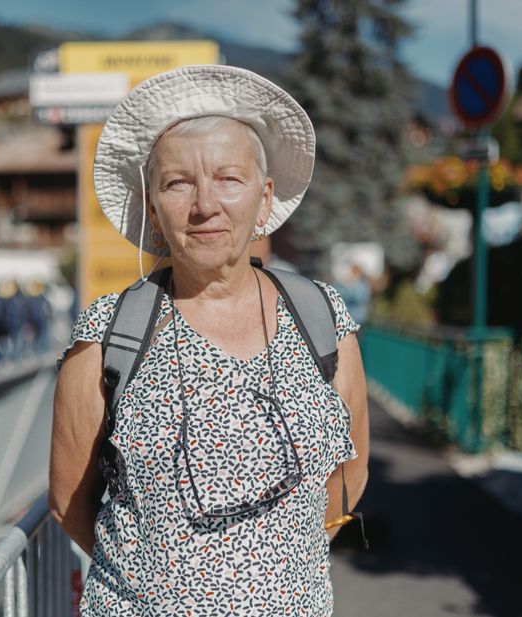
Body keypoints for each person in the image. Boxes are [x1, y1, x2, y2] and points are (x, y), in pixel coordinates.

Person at [49, 65, 369, 616]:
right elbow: (67, 502)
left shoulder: (320, 315)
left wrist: (279, 568)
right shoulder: (107, 336)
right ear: (152, 207)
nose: (204, 205)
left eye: (228, 178)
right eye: (178, 183)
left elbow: (351, 469)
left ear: (264, 198)